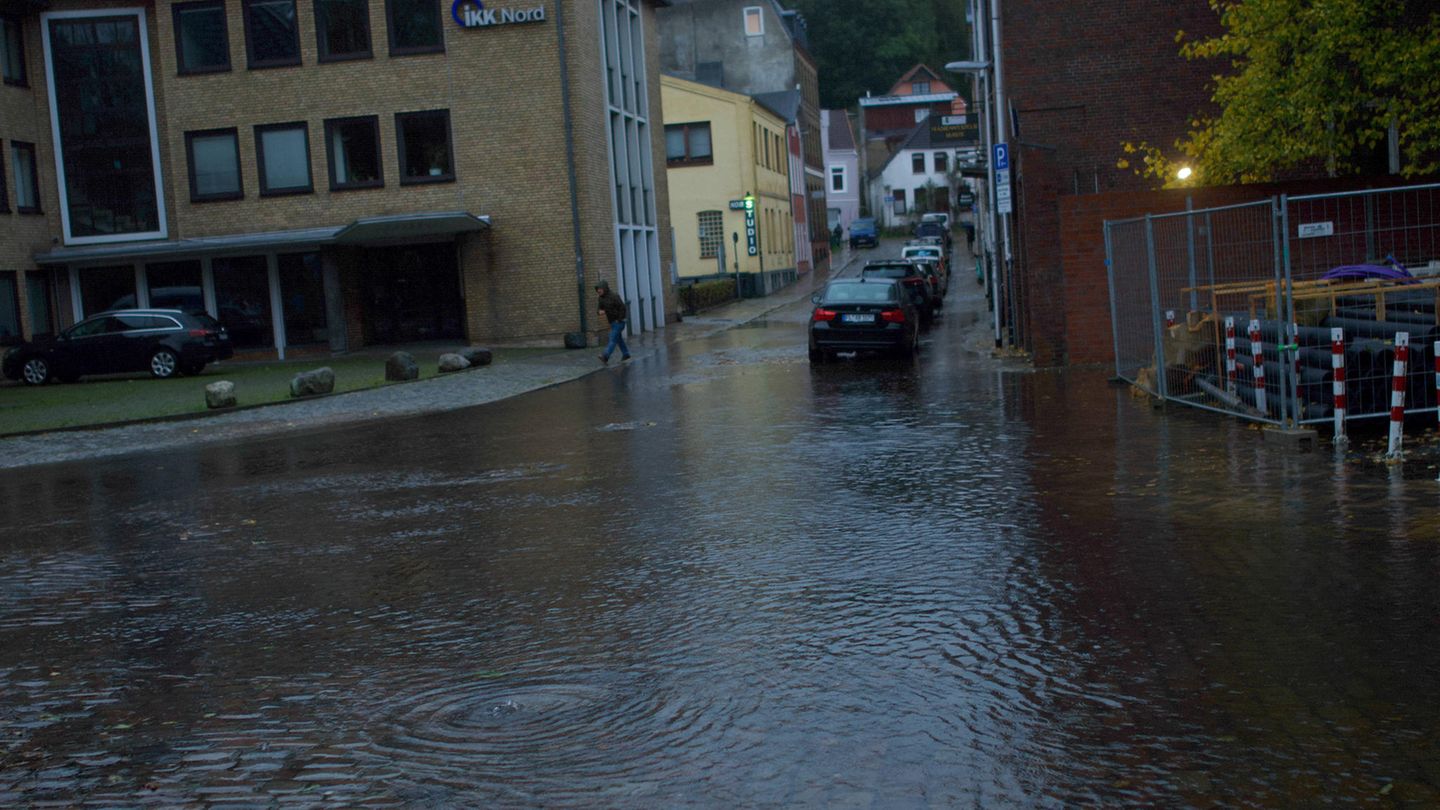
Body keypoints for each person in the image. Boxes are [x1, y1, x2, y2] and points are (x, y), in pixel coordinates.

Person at [595, 280, 631, 363]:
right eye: (597, 289)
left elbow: (623, 308)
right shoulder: (600, 299)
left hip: (619, 322)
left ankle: (605, 356)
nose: (598, 291)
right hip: (612, 322)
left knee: (612, 337)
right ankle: (626, 354)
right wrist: (599, 312)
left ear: (604, 288)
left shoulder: (614, 296)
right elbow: (599, 309)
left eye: (600, 289)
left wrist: (619, 319)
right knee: (618, 339)